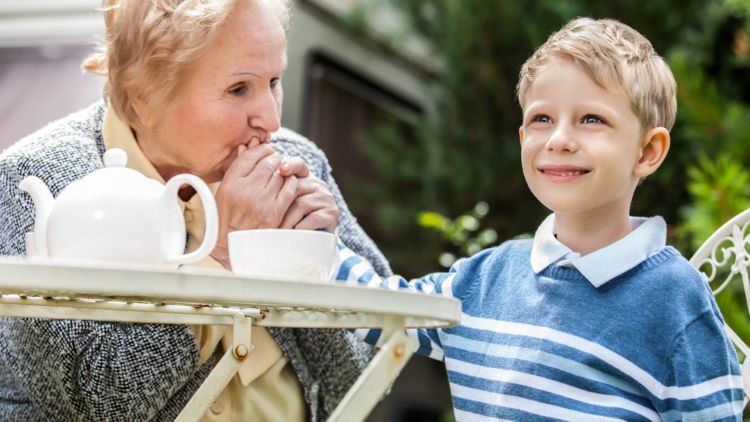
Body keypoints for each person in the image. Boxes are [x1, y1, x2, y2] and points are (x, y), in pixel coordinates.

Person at [335, 17, 743, 420]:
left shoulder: (675, 301)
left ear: (647, 151)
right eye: (541, 119)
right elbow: (376, 309)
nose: (559, 140)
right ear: (522, 139)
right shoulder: (485, 278)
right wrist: (309, 230)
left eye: (591, 120)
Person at [0, 0, 390, 420]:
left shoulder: (297, 162)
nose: (271, 119)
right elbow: (97, 404)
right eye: (239, 88)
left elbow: (375, 367)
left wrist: (316, 264)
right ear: (143, 96)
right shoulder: (33, 182)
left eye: (274, 81)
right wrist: (219, 254)